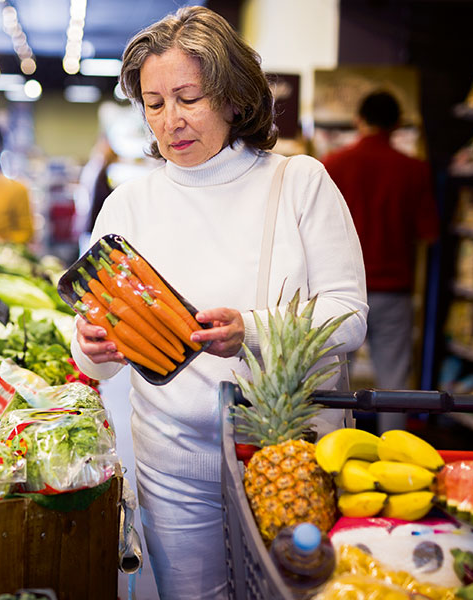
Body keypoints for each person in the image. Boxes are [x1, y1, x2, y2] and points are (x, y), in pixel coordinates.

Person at [70, 7, 368, 599]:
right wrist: (92, 344)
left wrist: (250, 330)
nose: (171, 120)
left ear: (233, 97)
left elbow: (349, 316)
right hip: (171, 461)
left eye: (188, 97)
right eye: (154, 103)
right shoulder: (129, 204)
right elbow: (92, 360)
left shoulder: (299, 182)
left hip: (288, 456)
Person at [322, 91, 439, 433]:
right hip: (394, 290)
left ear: (359, 120)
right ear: (398, 124)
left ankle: (334, 453)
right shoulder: (414, 170)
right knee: (393, 383)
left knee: (333, 380)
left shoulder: (333, 164)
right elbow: (428, 233)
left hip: (341, 292)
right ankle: (396, 463)